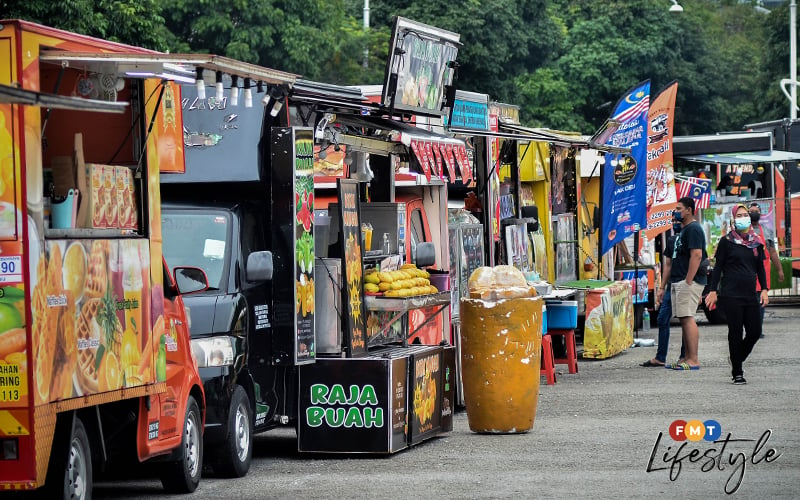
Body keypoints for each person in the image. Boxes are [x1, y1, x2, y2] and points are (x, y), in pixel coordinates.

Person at [704, 204, 769, 385]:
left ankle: (737, 357)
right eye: (739, 215)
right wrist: (713, 290)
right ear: (733, 219)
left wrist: (764, 289)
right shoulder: (727, 242)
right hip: (731, 295)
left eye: (745, 214)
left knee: (755, 331)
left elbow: (760, 268)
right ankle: (737, 371)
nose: (743, 217)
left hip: (750, 294)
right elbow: (718, 268)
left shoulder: (756, 242)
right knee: (735, 332)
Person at [658, 197, 706, 371]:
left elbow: (697, 255)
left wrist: (688, 280)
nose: (676, 211)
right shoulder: (683, 231)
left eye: (679, 208)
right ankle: (686, 357)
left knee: (687, 318)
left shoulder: (694, 229)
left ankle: (693, 358)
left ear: (689, 210)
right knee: (683, 319)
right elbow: (671, 262)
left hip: (687, 281)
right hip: (677, 281)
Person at [641, 217, 685, 367]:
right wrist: (662, 287)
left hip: (686, 285)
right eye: (673, 220)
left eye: (677, 220)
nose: (675, 223)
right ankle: (661, 357)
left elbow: (698, 261)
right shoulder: (672, 241)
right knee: (662, 319)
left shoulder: (692, 238)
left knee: (686, 320)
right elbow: (668, 265)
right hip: (672, 285)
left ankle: (685, 356)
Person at [748, 202, 783, 337]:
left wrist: (779, 270)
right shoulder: (743, 230)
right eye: (751, 211)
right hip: (747, 272)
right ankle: (750, 329)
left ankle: (758, 330)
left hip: (762, 273)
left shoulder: (766, 231)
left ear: (760, 214)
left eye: (756, 211)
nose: (754, 213)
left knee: (760, 303)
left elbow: (773, 253)